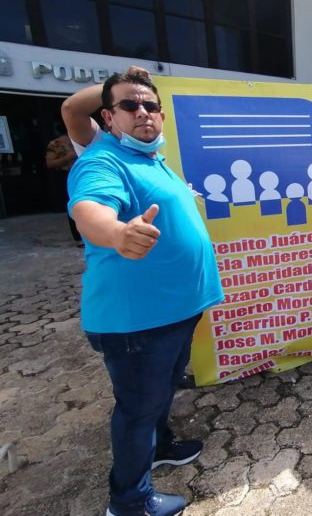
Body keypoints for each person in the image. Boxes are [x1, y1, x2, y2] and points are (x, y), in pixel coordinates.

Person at [62, 71, 223, 516]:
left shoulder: (152, 159)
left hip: (173, 312)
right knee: (137, 408)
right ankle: (129, 501)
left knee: (161, 390)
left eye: (150, 106)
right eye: (129, 106)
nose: (142, 113)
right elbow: (88, 209)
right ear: (108, 117)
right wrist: (116, 233)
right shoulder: (102, 160)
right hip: (137, 320)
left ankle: (160, 445)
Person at [45, 125, 82, 245]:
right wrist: (67, 158)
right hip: (67, 174)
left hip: (84, 173)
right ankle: (79, 238)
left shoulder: (84, 139)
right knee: (74, 205)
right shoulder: (56, 143)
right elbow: (49, 163)